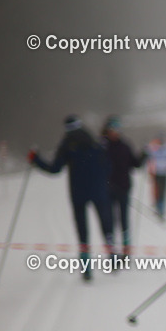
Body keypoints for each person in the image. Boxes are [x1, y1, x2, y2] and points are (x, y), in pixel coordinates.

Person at [28, 115, 114, 281]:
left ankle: (87, 268)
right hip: (99, 190)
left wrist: (35, 159)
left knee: (83, 230)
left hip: (78, 193)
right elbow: (108, 166)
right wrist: (103, 180)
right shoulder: (95, 141)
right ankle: (113, 256)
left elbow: (55, 169)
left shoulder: (67, 144)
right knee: (105, 223)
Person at [101, 116, 146, 256]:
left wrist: (144, 155)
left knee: (124, 220)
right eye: (113, 129)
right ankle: (112, 252)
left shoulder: (125, 145)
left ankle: (126, 251)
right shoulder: (101, 146)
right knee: (109, 220)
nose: (115, 132)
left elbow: (135, 164)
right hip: (106, 189)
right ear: (107, 130)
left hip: (123, 188)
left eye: (118, 129)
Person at [146, 134, 166, 220]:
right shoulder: (153, 148)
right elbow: (148, 157)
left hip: (164, 173)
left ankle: (162, 209)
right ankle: (157, 207)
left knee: (163, 192)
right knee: (156, 191)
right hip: (156, 173)